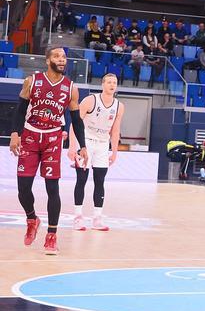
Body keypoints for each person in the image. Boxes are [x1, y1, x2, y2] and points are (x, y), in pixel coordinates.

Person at [8, 47, 89, 255]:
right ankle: (32, 218)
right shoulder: (31, 81)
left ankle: (52, 235)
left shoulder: (71, 88)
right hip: (30, 136)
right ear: (47, 60)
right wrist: (15, 134)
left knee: (52, 188)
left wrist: (82, 145)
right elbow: (19, 110)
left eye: (63, 57)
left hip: (53, 138)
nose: (61, 60)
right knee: (23, 188)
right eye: (57, 56)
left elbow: (76, 120)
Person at [68, 72, 123, 233]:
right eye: (109, 82)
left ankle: (97, 219)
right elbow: (75, 124)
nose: (112, 85)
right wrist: (72, 147)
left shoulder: (119, 106)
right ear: (102, 84)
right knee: (82, 180)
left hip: (102, 145)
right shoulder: (90, 100)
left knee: (100, 181)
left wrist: (114, 152)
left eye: (114, 82)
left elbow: (115, 130)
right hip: (85, 143)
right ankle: (78, 218)